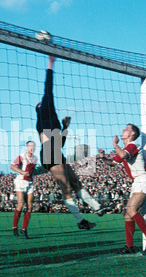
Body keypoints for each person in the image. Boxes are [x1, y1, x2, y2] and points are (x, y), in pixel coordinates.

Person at [35, 56, 109, 230]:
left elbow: (59, 144)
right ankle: (80, 221)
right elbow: (48, 88)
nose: (44, 101)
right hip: (48, 153)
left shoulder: (53, 120)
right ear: (40, 108)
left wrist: (66, 127)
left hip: (54, 152)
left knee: (75, 182)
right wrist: (50, 64)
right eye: (42, 103)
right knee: (66, 187)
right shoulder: (44, 116)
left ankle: (97, 207)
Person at [98, 124, 146, 255]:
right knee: (127, 215)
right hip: (137, 182)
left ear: (132, 134)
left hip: (143, 180)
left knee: (132, 210)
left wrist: (115, 145)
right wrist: (103, 158)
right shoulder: (126, 148)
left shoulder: (133, 145)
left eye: (126, 129)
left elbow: (123, 156)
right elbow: (113, 163)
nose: (123, 130)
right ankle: (129, 246)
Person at [10, 140, 38, 238]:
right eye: (30, 146)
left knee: (30, 206)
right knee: (21, 204)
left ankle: (24, 229)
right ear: (26, 148)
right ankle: (14, 227)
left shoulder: (35, 158)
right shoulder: (21, 156)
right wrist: (22, 172)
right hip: (20, 182)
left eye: (33, 146)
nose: (32, 148)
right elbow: (12, 166)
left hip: (30, 183)